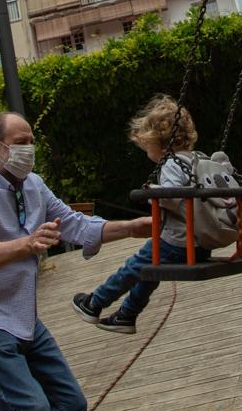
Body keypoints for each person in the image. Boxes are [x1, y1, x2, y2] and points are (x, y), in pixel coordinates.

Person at [0, 111, 153, 411]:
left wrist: (131, 228)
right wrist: (27, 244)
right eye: (20, 142)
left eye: (32, 141)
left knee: (71, 404)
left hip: (24, 319)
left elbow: (74, 224)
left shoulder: (32, 185)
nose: (28, 149)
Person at [71, 95, 204, 335]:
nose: (145, 150)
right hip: (199, 241)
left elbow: (171, 196)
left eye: (146, 145)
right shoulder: (196, 160)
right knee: (150, 269)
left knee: (133, 267)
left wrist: (154, 193)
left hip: (177, 241)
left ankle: (94, 303)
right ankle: (127, 314)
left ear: (159, 141)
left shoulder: (173, 164)